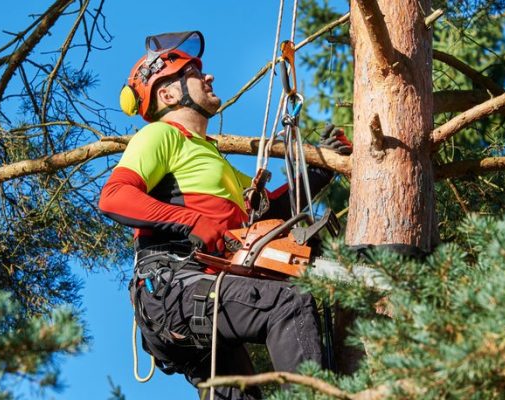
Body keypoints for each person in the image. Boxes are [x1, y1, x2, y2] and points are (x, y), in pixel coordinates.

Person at [99, 31, 352, 399]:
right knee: (289, 301)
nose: (209, 77)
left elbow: (266, 214)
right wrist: (191, 221)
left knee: (241, 394)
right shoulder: (161, 136)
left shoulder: (215, 161)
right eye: (194, 73)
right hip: (173, 284)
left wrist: (317, 173)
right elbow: (114, 196)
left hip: (198, 297)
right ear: (168, 94)